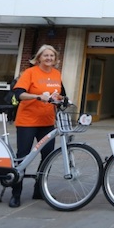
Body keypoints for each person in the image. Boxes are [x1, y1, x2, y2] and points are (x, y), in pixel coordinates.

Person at [9, 44, 67, 208]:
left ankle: (39, 190)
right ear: (39, 57)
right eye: (46, 55)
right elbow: (19, 94)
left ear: (55, 59)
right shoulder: (30, 72)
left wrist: (61, 98)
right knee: (23, 156)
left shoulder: (56, 74)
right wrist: (37, 96)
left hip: (47, 122)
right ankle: (16, 193)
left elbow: (60, 93)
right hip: (28, 121)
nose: (49, 58)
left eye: (52, 56)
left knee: (47, 157)